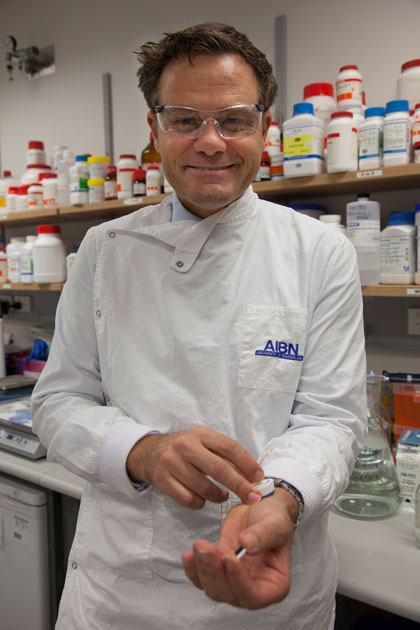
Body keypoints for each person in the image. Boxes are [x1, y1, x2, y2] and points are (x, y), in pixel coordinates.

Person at [31, 22, 367, 630]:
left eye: (234, 120)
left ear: (266, 128)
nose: (210, 142)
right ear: (155, 130)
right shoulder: (102, 253)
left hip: (274, 592)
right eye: (185, 120)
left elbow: (333, 419)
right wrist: (144, 450)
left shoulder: (320, 252)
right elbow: (56, 402)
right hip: (121, 597)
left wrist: (281, 500)